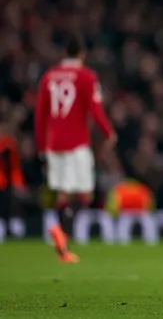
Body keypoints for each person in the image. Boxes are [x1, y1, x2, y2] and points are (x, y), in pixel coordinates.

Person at [35, 36, 116, 263]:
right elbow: (95, 109)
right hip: (76, 143)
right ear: (81, 54)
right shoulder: (86, 76)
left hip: (53, 143)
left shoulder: (48, 76)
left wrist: (42, 147)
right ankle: (62, 234)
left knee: (63, 193)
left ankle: (63, 248)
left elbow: (40, 115)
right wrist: (109, 133)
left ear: (65, 53)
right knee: (84, 194)